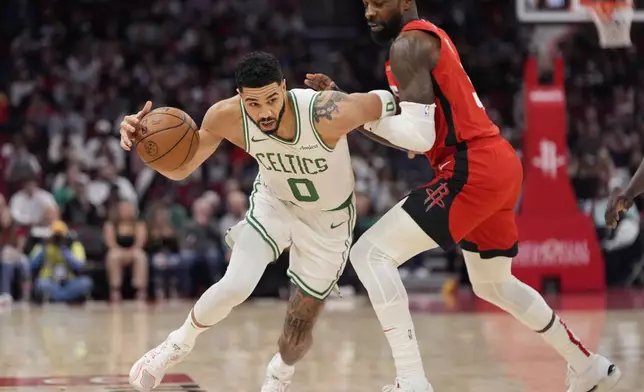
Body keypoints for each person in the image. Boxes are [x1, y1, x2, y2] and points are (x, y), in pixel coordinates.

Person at [307, 1, 620, 391]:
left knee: (368, 253)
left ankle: (412, 381)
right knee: (494, 284)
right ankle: (585, 363)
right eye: (366, 3)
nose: (369, 11)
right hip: (497, 163)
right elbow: (412, 138)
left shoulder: (407, 46)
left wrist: (355, 112)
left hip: (472, 167)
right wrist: (349, 106)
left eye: (378, 2)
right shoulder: (423, 39)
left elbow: (418, 138)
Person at [119, 51, 399, 392]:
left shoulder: (321, 112)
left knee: (295, 336)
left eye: (271, 99)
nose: (264, 111)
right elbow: (180, 168)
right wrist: (143, 143)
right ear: (240, 97)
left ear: (284, 87)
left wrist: (408, 122)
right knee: (236, 284)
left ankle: (280, 373)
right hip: (274, 203)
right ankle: (175, 345)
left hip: (328, 221)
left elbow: (374, 107)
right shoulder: (226, 117)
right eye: (253, 103)